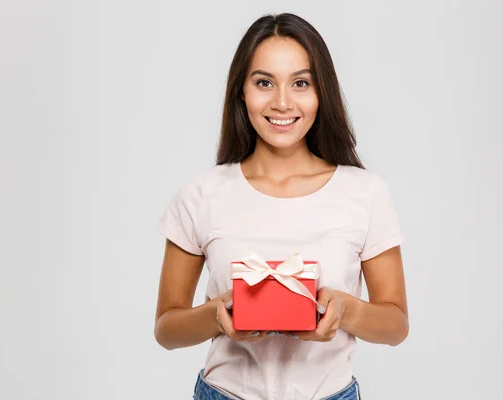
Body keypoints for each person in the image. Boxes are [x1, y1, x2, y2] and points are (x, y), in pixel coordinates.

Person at [154, 12, 408, 400]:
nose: (283, 102)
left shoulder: (365, 192)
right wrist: (216, 316)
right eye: (264, 83)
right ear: (242, 90)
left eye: (301, 83)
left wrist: (344, 310)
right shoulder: (202, 194)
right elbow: (166, 329)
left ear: (322, 92)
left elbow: (396, 325)